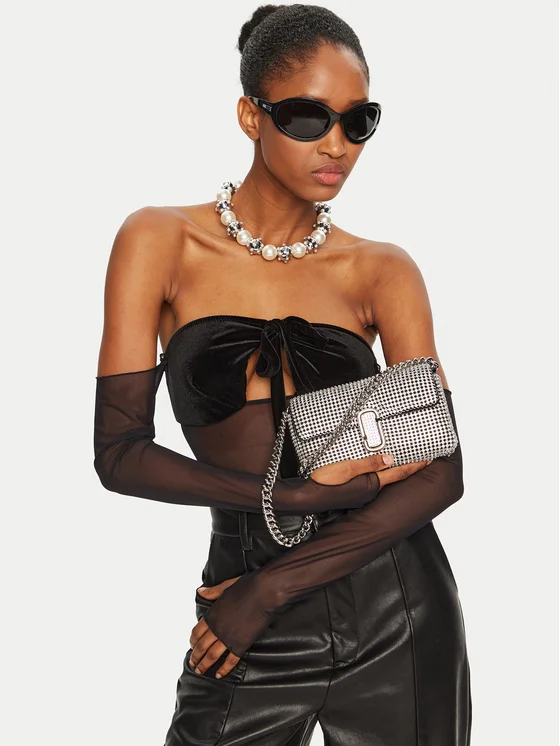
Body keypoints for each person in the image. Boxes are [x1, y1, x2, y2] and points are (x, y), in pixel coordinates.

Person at [93, 4, 472, 744]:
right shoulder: (160, 240)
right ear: (250, 116)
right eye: (307, 118)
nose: (336, 145)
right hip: (240, 607)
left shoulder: (381, 269)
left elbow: (442, 471)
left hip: (396, 606)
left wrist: (269, 589)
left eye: (358, 123)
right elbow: (119, 453)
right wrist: (291, 497)